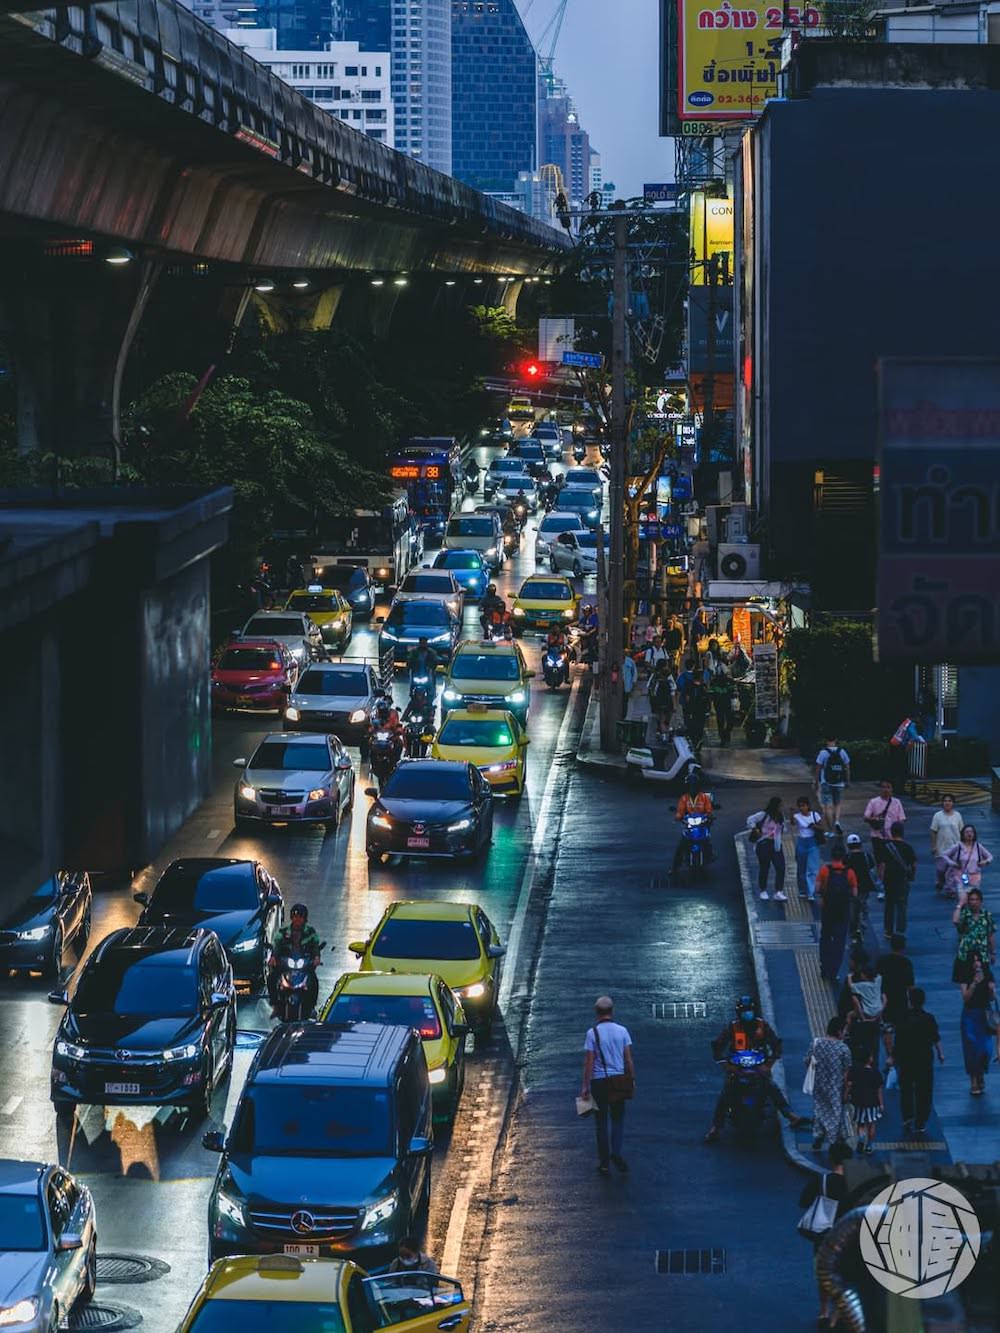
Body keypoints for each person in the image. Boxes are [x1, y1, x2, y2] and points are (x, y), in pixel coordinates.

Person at [704, 994, 807, 1142]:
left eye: (749, 1010)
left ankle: (790, 1115)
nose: (747, 1014)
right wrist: (726, 1065)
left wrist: (768, 1064)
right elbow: (717, 1047)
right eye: (744, 1011)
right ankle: (716, 1128)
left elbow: (776, 1046)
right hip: (737, 1068)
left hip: (758, 1068)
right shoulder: (732, 1027)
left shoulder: (763, 1027)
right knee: (726, 1092)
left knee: (772, 1087)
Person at [800, 1143, 854, 1325]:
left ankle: (823, 1311)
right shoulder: (854, 1184)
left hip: (823, 1238)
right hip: (847, 1238)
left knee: (824, 1276)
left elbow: (804, 1201)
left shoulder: (821, 1181)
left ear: (831, 1158)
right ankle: (836, 1315)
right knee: (843, 1276)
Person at [580, 995, 634, 1174]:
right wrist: (631, 1080)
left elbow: (589, 1061)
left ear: (597, 1013)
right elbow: (628, 1060)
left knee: (601, 1122)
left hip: (599, 1082)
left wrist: (585, 1086)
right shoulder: (623, 1031)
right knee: (618, 1120)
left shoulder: (592, 1033)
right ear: (612, 1011)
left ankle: (604, 1162)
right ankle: (616, 1152)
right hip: (618, 1081)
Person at [891, 986, 944, 1137]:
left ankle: (907, 1117)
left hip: (906, 1059)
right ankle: (921, 1121)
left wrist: (892, 1057)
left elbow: (898, 1040)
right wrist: (941, 1053)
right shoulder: (929, 1018)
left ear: (910, 1001)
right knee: (924, 1091)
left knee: (906, 1089)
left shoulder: (902, 1018)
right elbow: (935, 1037)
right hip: (924, 1059)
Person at [805, 1017, 853, 1152]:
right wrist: (846, 1091)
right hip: (835, 1087)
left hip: (819, 1085)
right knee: (836, 1113)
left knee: (820, 1111)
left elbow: (807, 1061)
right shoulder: (843, 1049)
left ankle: (818, 1137)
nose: (845, 1033)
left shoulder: (816, 1043)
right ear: (839, 1031)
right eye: (844, 1030)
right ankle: (835, 1141)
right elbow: (847, 1072)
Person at [815, 841, 858, 982]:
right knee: (839, 942)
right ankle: (833, 971)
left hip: (828, 909)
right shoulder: (850, 872)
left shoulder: (824, 870)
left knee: (825, 937)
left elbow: (817, 889)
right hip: (843, 911)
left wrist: (822, 898)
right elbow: (855, 893)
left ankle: (824, 965)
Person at [268, 903, 321, 1016]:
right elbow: (277, 945)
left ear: (304, 919)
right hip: (286, 963)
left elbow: (315, 947)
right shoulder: (283, 932)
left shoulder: (310, 932)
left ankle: (311, 1006)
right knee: (271, 978)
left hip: (304, 964)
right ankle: (275, 1006)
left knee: (314, 981)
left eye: (300, 917)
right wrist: (273, 957)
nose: (298, 919)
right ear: (292, 917)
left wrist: (316, 958)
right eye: (296, 916)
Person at [959, 953, 996, 1097]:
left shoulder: (988, 974)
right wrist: (974, 983)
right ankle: (973, 1080)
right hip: (970, 1015)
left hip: (984, 1014)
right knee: (971, 1049)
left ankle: (981, 1072)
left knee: (985, 1049)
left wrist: (991, 990)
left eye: (979, 960)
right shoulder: (965, 976)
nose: (977, 963)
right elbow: (965, 998)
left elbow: (992, 998)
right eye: (974, 961)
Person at [875, 934, 914, 1060]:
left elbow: (876, 981)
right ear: (903, 947)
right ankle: (901, 1055)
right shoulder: (906, 963)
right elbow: (910, 986)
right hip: (901, 1000)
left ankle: (890, 1056)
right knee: (901, 1029)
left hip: (885, 999)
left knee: (887, 1029)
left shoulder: (882, 961)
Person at [876, 821, 916, 939]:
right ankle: (900, 931)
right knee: (902, 906)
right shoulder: (908, 848)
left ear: (891, 832)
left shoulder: (885, 847)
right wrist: (912, 876)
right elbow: (913, 864)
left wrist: (881, 880)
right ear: (903, 833)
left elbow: (882, 865)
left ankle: (888, 931)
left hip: (889, 879)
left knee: (889, 905)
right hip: (902, 879)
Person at [951, 887, 997, 983]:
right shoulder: (965, 914)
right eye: (972, 899)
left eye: (977, 899)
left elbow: (990, 935)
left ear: (981, 901)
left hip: (982, 954)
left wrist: (993, 953)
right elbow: (955, 921)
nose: (974, 902)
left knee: (986, 983)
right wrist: (960, 904)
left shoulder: (986, 915)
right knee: (966, 982)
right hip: (966, 954)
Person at [747, 796, 788, 902]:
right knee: (764, 867)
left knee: (781, 867)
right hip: (764, 843)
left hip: (776, 844)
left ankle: (779, 891)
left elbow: (785, 829)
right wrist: (755, 829)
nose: (782, 807)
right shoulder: (763, 815)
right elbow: (750, 819)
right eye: (780, 806)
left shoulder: (780, 816)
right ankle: (763, 890)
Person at [940, 824, 993, 898]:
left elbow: (990, 856)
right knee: (963, 898)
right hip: (962, 876)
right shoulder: (958, 846)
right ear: (963, 834)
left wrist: (985, 862)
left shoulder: (978, 846)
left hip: (975, 876)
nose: (969, 834)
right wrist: (952, 863)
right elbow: (944, 855)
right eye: (967, 832)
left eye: (971, 832)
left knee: (973, 898)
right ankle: (961, 907)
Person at [672, 779, 714, 875]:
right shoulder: (684, 798)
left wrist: (709, 816)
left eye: (694, 786)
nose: (693, 788)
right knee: (681, 846)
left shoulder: (704, 797)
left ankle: (709, 855)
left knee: (707, 840)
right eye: (691, 786)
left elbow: (709, 810)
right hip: (689, 825)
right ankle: (675, 867)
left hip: (702, 824)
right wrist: (679, 817)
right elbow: (680, 810)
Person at [844, 832, 881, 941]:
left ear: (848, 846)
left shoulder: (846, 858)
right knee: (863, 906)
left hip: (851, 887)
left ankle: (854, 932)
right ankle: (862, 928)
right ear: (860, 844)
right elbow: (872, 868)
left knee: (852, 908)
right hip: (864, 886)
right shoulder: (867, 856)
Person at [846, 962, 885, 1063]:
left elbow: (851, 986)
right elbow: (879, 976)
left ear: (865, 975)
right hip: (878, 1010)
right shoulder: (878, 981)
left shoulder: (862, 985)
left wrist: (849, 976)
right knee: (874, 1043)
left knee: (850, 1015)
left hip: (867, 1012)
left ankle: (847, 1031)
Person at [846, 1050, 883, 1154]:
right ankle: (869, 1145)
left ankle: (861, 1138)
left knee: (860, 1123)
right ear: (869, 1059)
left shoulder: (855, 1070)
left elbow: (849, 1084)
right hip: (873, 1103)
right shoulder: (875, 1073)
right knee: (871, 1124)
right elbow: (879, 1090)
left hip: (859, 1102)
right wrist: (881, 1104)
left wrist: (846, 1095)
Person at [813, 737, 851, 832]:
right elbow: (847, 767)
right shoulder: (842, 752)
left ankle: (831, 829)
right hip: (839, 783)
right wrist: (847, 781)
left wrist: (816, 782)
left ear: (826, 741)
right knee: (837, 804)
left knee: (827, 807)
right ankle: (837, 821)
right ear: (836, 740)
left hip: (826, 783)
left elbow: (818, 769)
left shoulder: (823, 752)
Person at [930, 794, 965, 894]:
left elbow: (962, 831)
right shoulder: (937, 816)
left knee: (952, 871)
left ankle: (950, 890)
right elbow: (933, 831)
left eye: (949, 801)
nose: (947, 803)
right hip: (941, 848)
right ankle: (940, 881)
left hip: (954, 848)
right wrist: (933, 846)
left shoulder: (957, 815)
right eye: (945, 801)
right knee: (941, 870)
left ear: (953, 803)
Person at [792, 795, 824, 901]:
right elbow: (792, 823)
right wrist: (791, 814)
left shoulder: (815, 815)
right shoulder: (797, 816)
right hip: (801, 842)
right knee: (801, 868)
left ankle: (811, 892)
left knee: (812, 869)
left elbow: (822, 827)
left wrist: (814, 826)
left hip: (813, 843)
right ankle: (802, 890)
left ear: (808, 805)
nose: (802, 808)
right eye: (800, 806)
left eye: (803, 805)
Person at [863, 780, 906, 845]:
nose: (885, 790)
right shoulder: (873, 802)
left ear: (892, 789)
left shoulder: (897, 802)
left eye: (888, 787)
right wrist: (874, 820)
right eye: (883, 787)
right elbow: (865, 818)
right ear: (880, 789)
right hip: (877, 837)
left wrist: (898, 835)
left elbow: (901, 819)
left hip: (893, 838)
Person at [708, 663, 734, 746]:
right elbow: (711, 693)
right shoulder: (714, 682)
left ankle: (726, 734)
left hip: (726, 703)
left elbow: (733, 690)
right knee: (721, 722)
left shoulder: (729, 681)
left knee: (729, 721)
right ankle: (723, 738)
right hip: (719, 704)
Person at [648, 661, 676, 738]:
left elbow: (649, 687)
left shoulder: (654, 676)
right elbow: (673, 690)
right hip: (668, 701)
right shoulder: (669, 677)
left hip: (658, 701)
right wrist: (674, 705)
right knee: (666, 718)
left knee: (660, 718)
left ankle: (661, 733)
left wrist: (652, 701)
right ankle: (664, 733)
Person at [684, 669, 711, 749]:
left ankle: (695, 741)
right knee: (699, 726)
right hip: (700, 709)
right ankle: (697, 740)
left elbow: (687, 698)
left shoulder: (689, 685)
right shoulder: (703, 686)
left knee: (693, 725)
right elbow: (707, 698)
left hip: (693, 709)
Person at [621, 650, 637, 719]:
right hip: (618, 686)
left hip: (627, 685)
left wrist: (633, 682)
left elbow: (634, 672)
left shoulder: (630, 661)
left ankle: (624, 716)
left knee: (625, 702)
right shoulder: (615, 661)